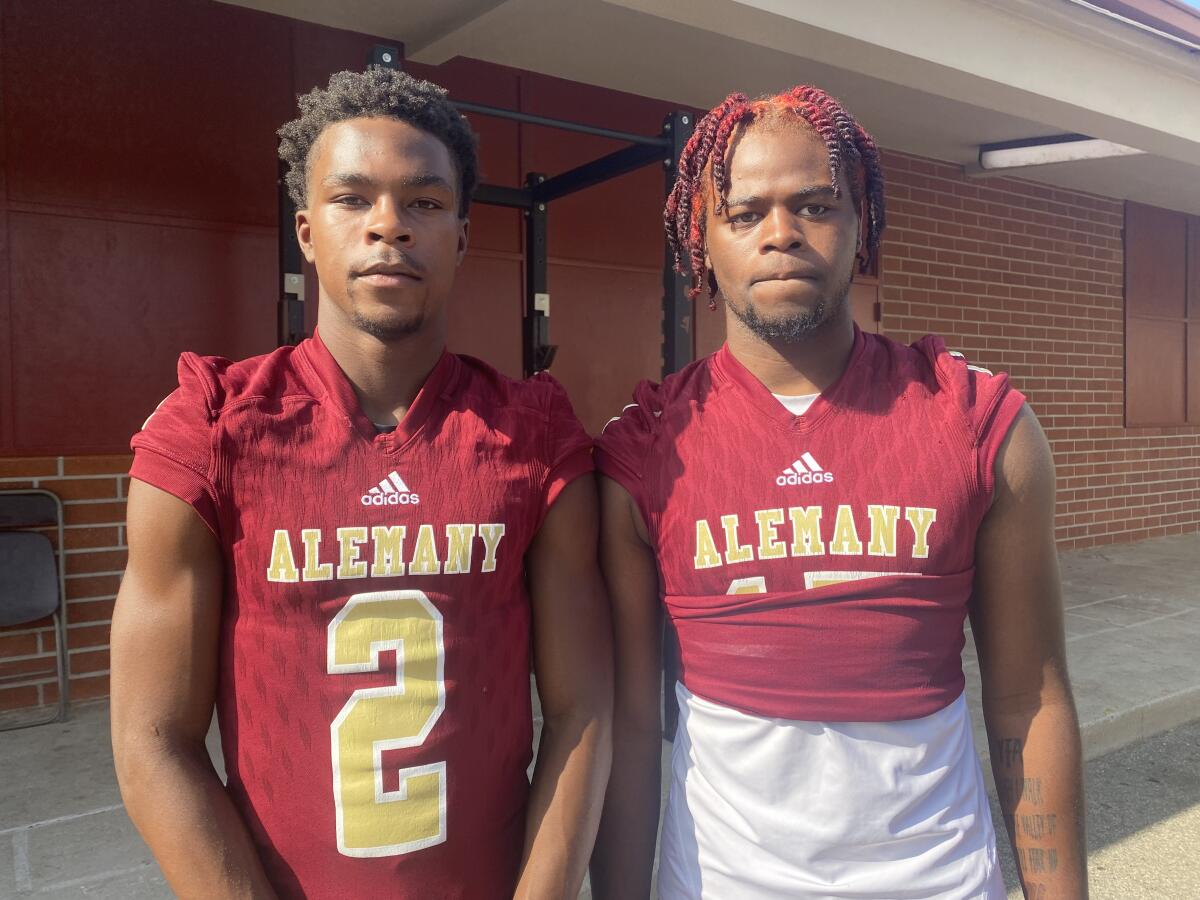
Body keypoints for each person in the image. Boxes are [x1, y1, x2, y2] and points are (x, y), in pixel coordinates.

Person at [110, 67, 611, 900]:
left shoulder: (534, 432)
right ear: (307, 231)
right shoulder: (211, 427)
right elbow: (150, 739)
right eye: (353, 199)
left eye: (423, 202)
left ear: (460, 233)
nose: (389, 227)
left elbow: (582, 705)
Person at [590, 86, 1085, 899]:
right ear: (699, 240)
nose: (780, 234)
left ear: (863, 225)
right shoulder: (648, 446)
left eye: (815, 205)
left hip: (941, 881)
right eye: (744, 213)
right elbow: (636, 729)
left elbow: (1027, 698)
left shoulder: (977, 421)